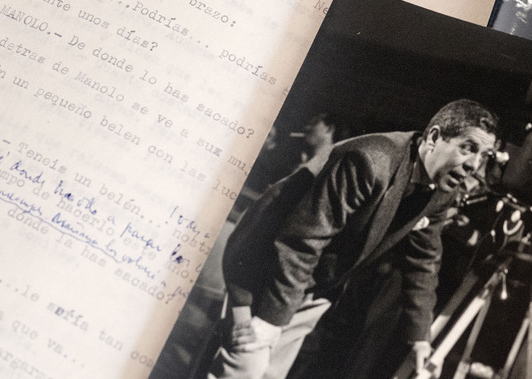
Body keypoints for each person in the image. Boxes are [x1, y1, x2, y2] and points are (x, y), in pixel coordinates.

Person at [209, 99, 500, 379]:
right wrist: (271, 321)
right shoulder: (371, 159)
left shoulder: (442, 190)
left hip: (314, 285)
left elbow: (424, 260)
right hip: (265, 265)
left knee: (271, 373)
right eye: (468, 148)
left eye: (483, 156)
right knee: (247, 367)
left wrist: (419, 337)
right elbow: (303, 239)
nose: (474, 165)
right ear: (434, 137)